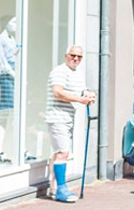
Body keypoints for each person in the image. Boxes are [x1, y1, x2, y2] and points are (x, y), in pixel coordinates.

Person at [46, 46, 96, 202]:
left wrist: (87, 93)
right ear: (65, 55)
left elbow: (81, 90)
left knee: (58, 153)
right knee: (63, 153)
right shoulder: (59, 71)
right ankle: (61, 189)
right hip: (57, 116)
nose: (76, 59)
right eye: (73, 55)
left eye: (79, 57)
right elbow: (58, 92)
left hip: (68, 117)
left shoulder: (77, 73)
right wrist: (80, 99)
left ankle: (53, 188)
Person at [0, 15, 19, 164]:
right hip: (8, 77)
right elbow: (2, 61)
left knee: (16, 114)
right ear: (5, 23)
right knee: (5, 113)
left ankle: (18, 148)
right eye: (13, 22)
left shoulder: (12, 38)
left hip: (15, 75)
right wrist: (14, 74)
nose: (15, 25)